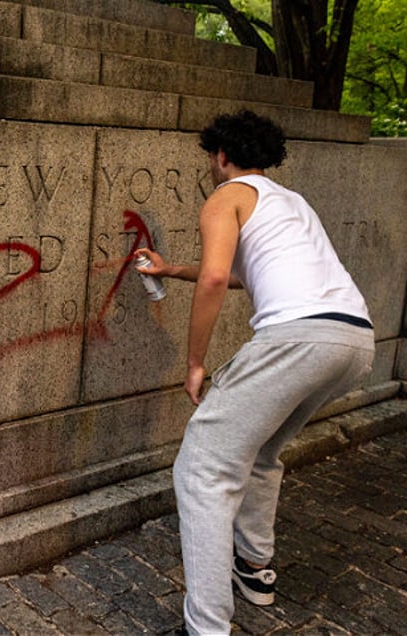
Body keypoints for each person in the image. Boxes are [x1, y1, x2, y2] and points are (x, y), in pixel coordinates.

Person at [135, 110, 375, 635]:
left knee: (202, 470)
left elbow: (219, 278)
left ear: (221, 155)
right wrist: (171, 269)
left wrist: (196, 362)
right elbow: (244, 274)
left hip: (297, 338)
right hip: (354, 340)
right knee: (263, 453)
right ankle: (253, 568)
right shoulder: (291, 202)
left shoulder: (226, 196)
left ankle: (207, 628)